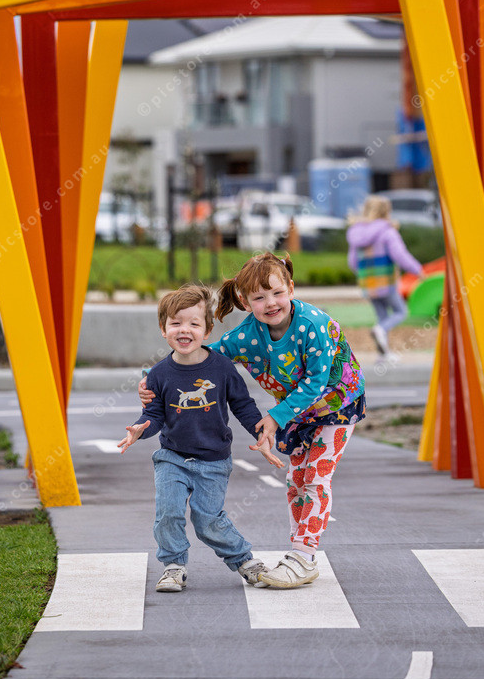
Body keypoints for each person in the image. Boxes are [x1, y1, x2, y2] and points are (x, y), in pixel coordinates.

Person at [139, 253, 365, 590]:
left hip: (337, 405)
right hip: (295, 411)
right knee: (296, 480)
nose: (270, 303)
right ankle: (300, 551)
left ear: (291, 288)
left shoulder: (313, 324)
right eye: (259, 298)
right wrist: (154, 378)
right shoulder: (248, 335)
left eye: (277, 293)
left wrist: (274, 418)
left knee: (316, 477)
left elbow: (315, 383)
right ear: (245, 302)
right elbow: (204, 356)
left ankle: (303, 556)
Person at [118, 283, 283, 594]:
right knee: (168, 513)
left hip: (214, 460)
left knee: (207, 521)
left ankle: (244, 560)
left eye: (194, 323)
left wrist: (260, 433)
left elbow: (243, 405)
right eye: (175, 323)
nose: (184, 330)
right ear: (163, 329)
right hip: (172, 458)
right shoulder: (158, 374)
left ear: (207, 331)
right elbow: (153, 415)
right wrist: (139, 430)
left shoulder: (222, 368)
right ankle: (173, 566)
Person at [346, 195, 423, 357]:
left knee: (382, 315)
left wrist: (364, 274)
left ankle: (384, 355)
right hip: (386, 280)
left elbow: (352, 262)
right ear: (386, 211)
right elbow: (400, 255)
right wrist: (417, 270)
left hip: (368, 282)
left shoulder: (356, 232)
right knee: (400, 311)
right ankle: (381, 330)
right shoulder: (388, 232)